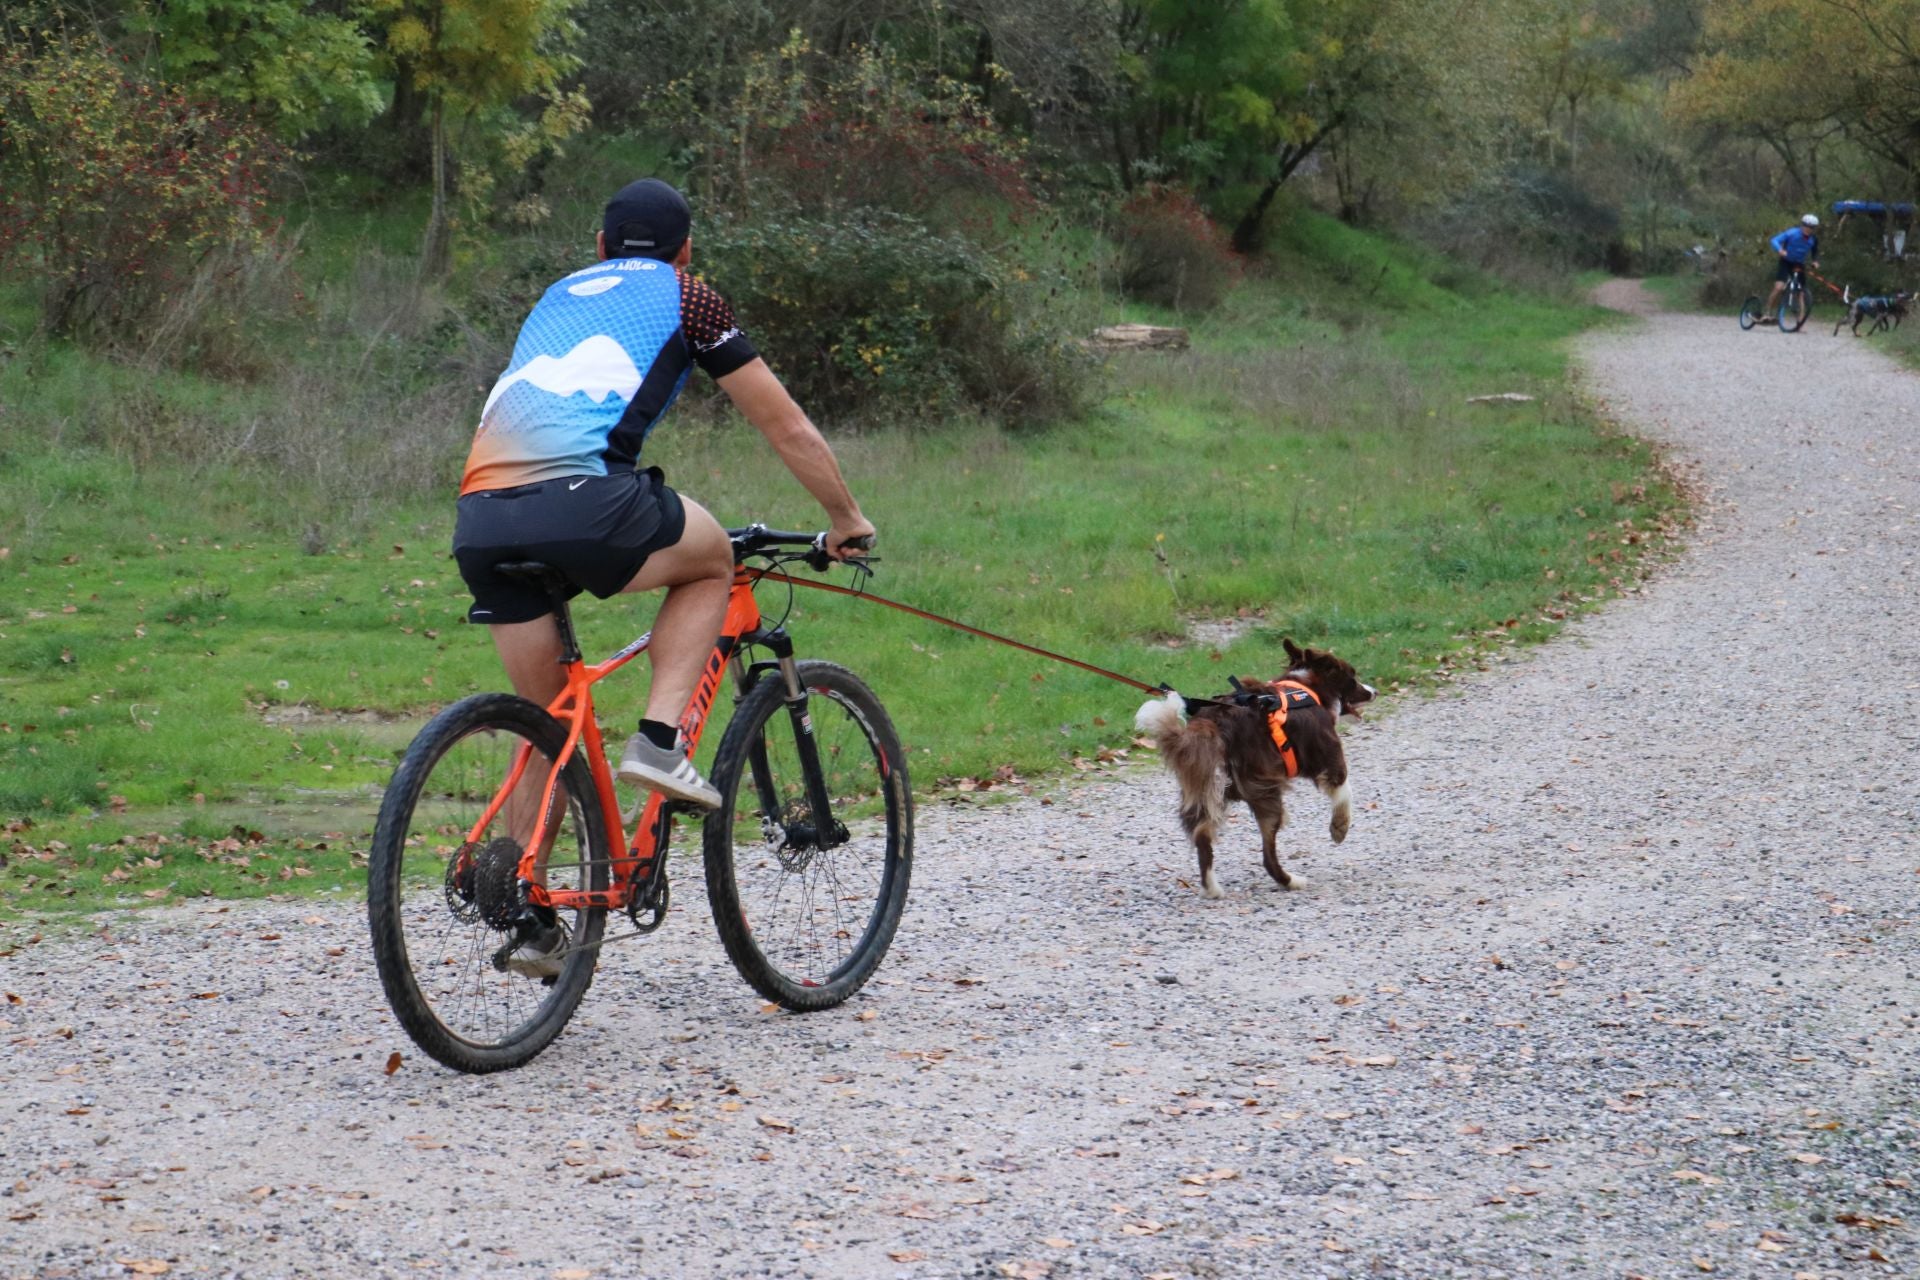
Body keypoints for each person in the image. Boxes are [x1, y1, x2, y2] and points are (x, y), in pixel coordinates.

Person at [453, 178, 876, 816]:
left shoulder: (555, 295)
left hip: (479, 516)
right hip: (584, 499)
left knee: (548, 727)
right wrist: (846, 518)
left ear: (600, 245)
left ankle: (515, 890)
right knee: (711, 559)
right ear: (686, 251)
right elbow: (784, 425)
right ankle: (656, 742)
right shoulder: (687, 294)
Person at [1758, 213, 1821, 323]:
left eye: (1811, 227)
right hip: (1786, 262)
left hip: (1799, 264)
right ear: (1802, 225)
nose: (1808, 229)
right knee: (1778, 287)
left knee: (1801, 293)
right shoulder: (1792, 233)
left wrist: (1815, 261)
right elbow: (1774, 240)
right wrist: (1780, 250)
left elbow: (1815, 251)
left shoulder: (1813, 239)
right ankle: (1766, 312)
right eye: (1806, 226)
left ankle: (1799, 322)